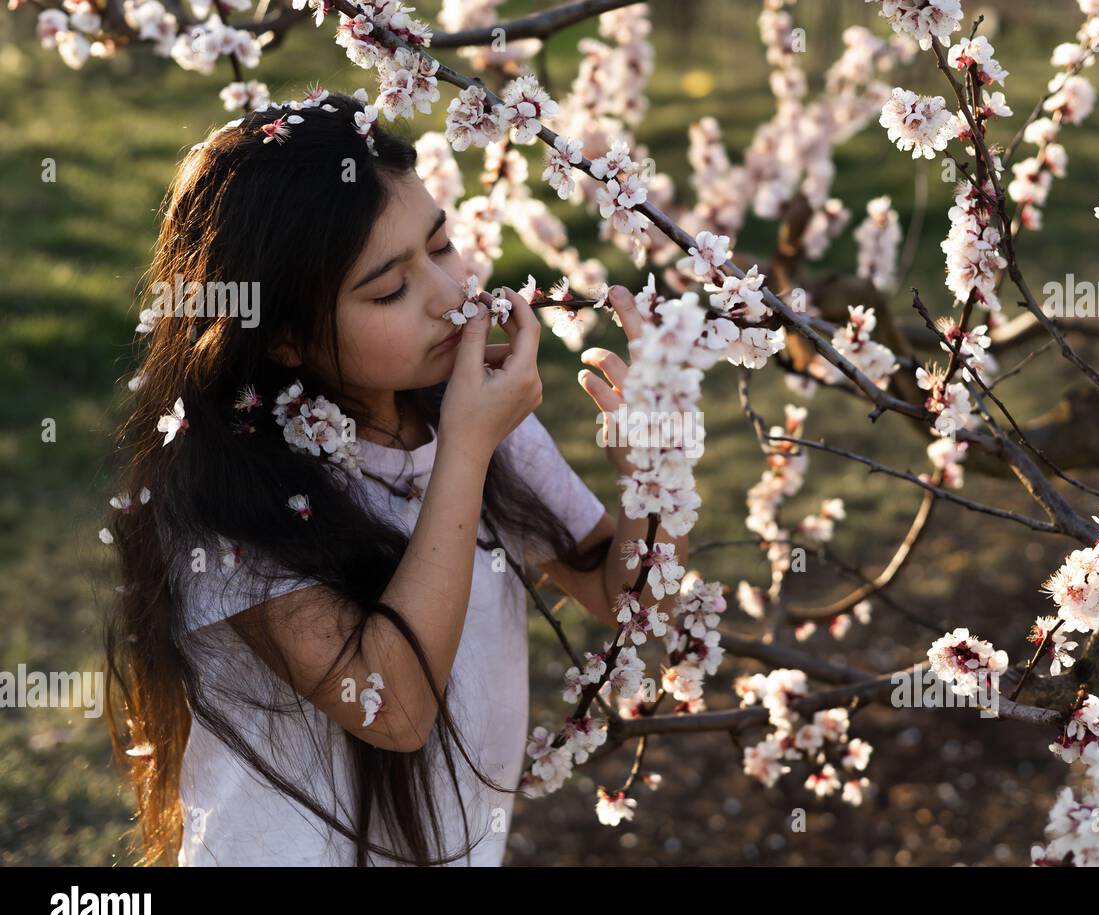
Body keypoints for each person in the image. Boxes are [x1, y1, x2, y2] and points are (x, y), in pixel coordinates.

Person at [101, 90, 677, 866]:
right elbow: (391, 706)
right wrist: (466, 451)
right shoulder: (226, 497)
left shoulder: (472, 414)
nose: (448, 298)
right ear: (284, 340)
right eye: (388, 289)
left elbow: (621, 598)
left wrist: (652, 479)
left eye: (441, 248)